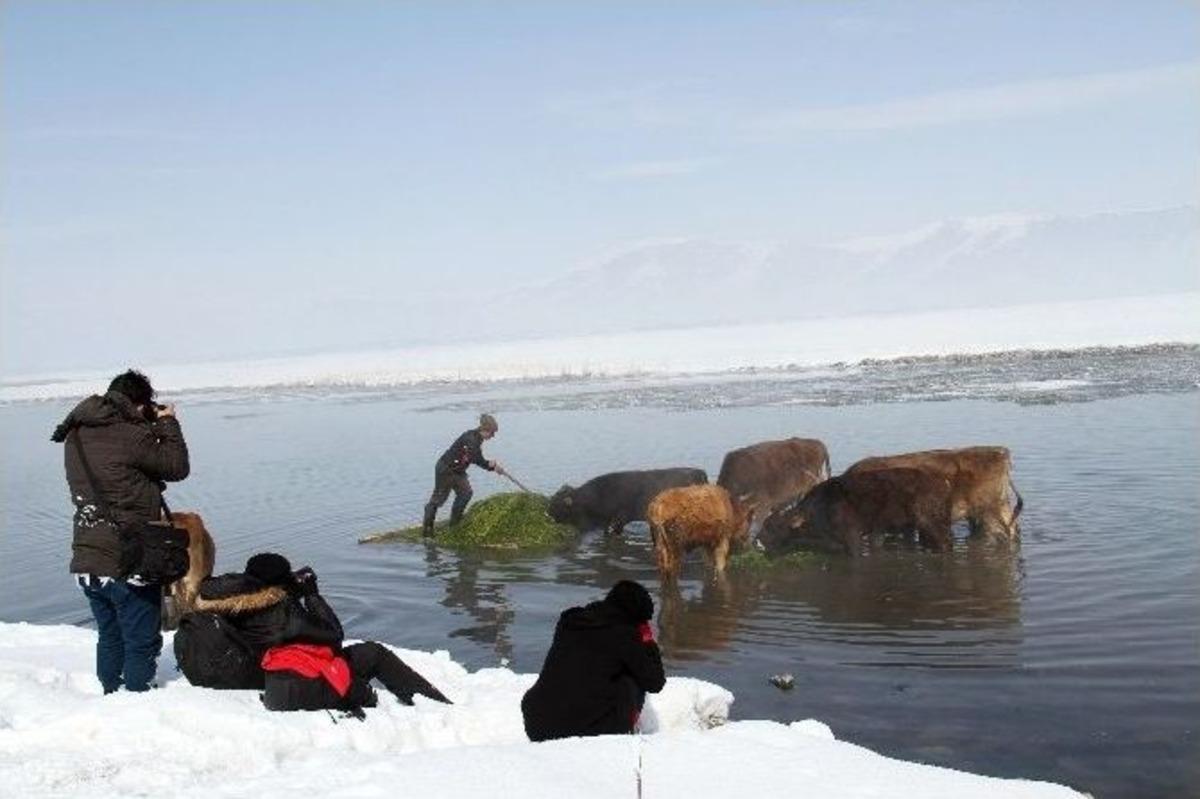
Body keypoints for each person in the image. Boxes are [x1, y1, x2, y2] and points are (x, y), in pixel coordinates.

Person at [50, 369, 190, 693]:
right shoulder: (130, 434)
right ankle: (136, 704)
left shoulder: (77, 434)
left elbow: (118, 467)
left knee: (110, 635)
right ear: (139, 404)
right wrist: (167, 423)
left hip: (88, 557)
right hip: (128, 557)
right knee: (140, 641)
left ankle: (111, 697)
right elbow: (176, 466)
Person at [194, 552, 451, 712]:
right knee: (373, 653)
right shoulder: (284, 615)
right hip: (289, 674)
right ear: (280, 584)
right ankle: (430, 702)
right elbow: (333, 636)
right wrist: (312, 595)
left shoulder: (229, 600)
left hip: (253, 667)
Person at [521, 580, 666, 742]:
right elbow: (655, 683)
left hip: (537, 724)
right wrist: (647, 640)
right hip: (580, 730)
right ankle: (627, 731)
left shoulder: (570, 620)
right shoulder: (625, 635)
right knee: (630, 680)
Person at [422, 413, 504, 536]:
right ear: (485, 429)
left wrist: (491, 467)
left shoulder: (478, 438)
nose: (493, 436)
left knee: (466, 493)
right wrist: (490, 465)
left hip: (458, 471)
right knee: (438, 500)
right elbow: (475, 458)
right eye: (492, 433)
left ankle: (454, 524)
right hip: (445, 469)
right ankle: (427, 531)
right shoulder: (471, 438)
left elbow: (475, 457)